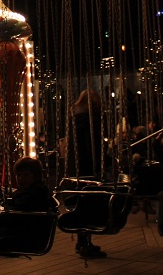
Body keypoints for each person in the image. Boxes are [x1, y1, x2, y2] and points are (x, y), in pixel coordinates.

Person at [68, 88, 106, 258]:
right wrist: (100, 165)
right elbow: (94, 146)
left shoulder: (74, 120)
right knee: (89, 205)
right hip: (89, 168)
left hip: (75, 168)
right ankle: (85, 242)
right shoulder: (92, 121)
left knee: (80, 204)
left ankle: (82, 240)